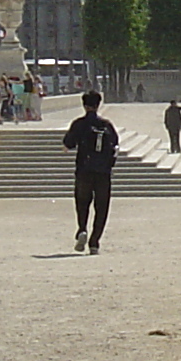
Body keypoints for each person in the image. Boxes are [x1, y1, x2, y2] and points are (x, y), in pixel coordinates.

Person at [64, 88, 120, 254]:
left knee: (82, 202)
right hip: (103, 172)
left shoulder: (79, 124)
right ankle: (94, 242)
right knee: (101, 207)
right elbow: (115, 146)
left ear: (84, 105)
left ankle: (82, 229)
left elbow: (67, 144)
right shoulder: (106, 125)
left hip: (84, 170)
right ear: (98, 104)